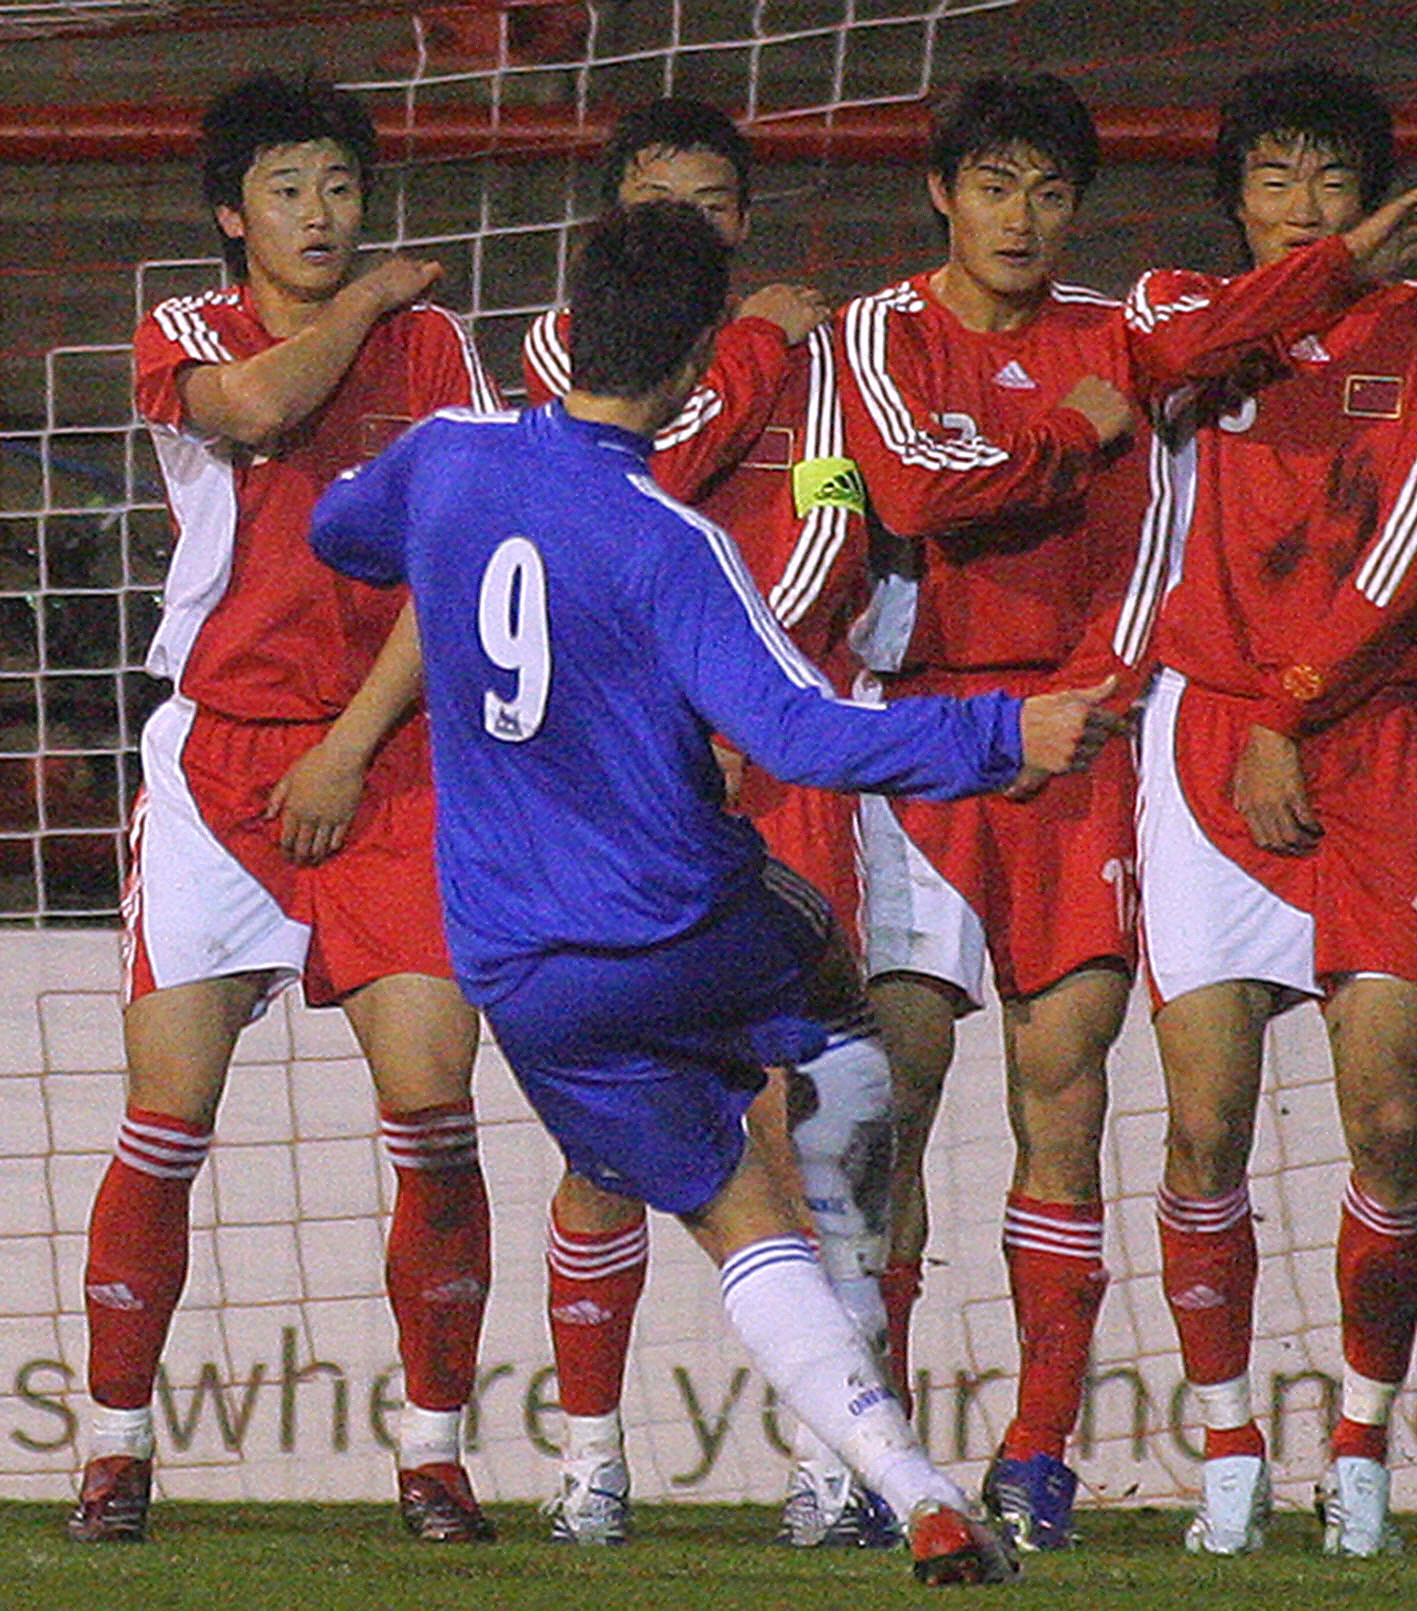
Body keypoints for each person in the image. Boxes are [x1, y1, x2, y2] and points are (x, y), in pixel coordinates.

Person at [310, 199, 1120, 1586]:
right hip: (680, 926)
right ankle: (849, 1216)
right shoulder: (671, 541)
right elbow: (805, 739)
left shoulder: (447, 458)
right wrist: (1007, 734)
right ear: (695, 365)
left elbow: (339, 531)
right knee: (833, 1001)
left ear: (566, 326)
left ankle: (914, 1490)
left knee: (730, 1217)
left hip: (522, 972)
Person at [837, 72, 1417, 1550]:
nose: (1020, 216)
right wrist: (1075, 428)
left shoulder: (1147, 330)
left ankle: (1045, 1455)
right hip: (933, 743)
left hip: (1105, 743)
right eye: (992, 185)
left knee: (1091, 1098)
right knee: (901, 1099)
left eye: (1050, 191)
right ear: (941, 192)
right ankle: (873, 1454)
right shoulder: (938, 332)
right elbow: (925, 499)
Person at [1129, 63, 1417, 1558]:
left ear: (1375, 187)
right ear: (1235, 196)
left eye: (1332, 179)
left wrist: (1293, 708)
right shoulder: (1183, 314)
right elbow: (1181, 356)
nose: (1305, 205)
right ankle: (1227, 1454)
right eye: (1277, 178)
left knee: (1390, 1122)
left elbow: (1404, 551)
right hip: (1205, 751)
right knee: (1204, 1124)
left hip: (1369, 744)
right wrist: (1255, 717)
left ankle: (1363, 1451)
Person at [70, 71, 502, 1546]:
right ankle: (117, 1450)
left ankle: (434, 1456)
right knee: (165, 1121)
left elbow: (463, 566)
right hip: (217, 773)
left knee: (436, 1109)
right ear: (230, 218)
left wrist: (354, 744)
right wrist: (370, 295)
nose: (319, 213)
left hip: (388, 761)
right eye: (287, 189)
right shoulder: (194, 335)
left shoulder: (442, 347)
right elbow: (258, 406)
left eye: (338, 183)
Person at [518, 97, 892, 1550]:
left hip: (780, 765)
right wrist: (748, 347)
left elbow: (832, 527)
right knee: (602, 1132)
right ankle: (591, 1457)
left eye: (713, 206)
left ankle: (831, 1457)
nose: (687, 227)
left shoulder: (821, 382)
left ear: (744, 220)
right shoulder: (570, 356)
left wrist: (740, 696)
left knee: (798, 1118)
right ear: (614, 220)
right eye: (658, 204)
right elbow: (629, 499)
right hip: (618, 778)